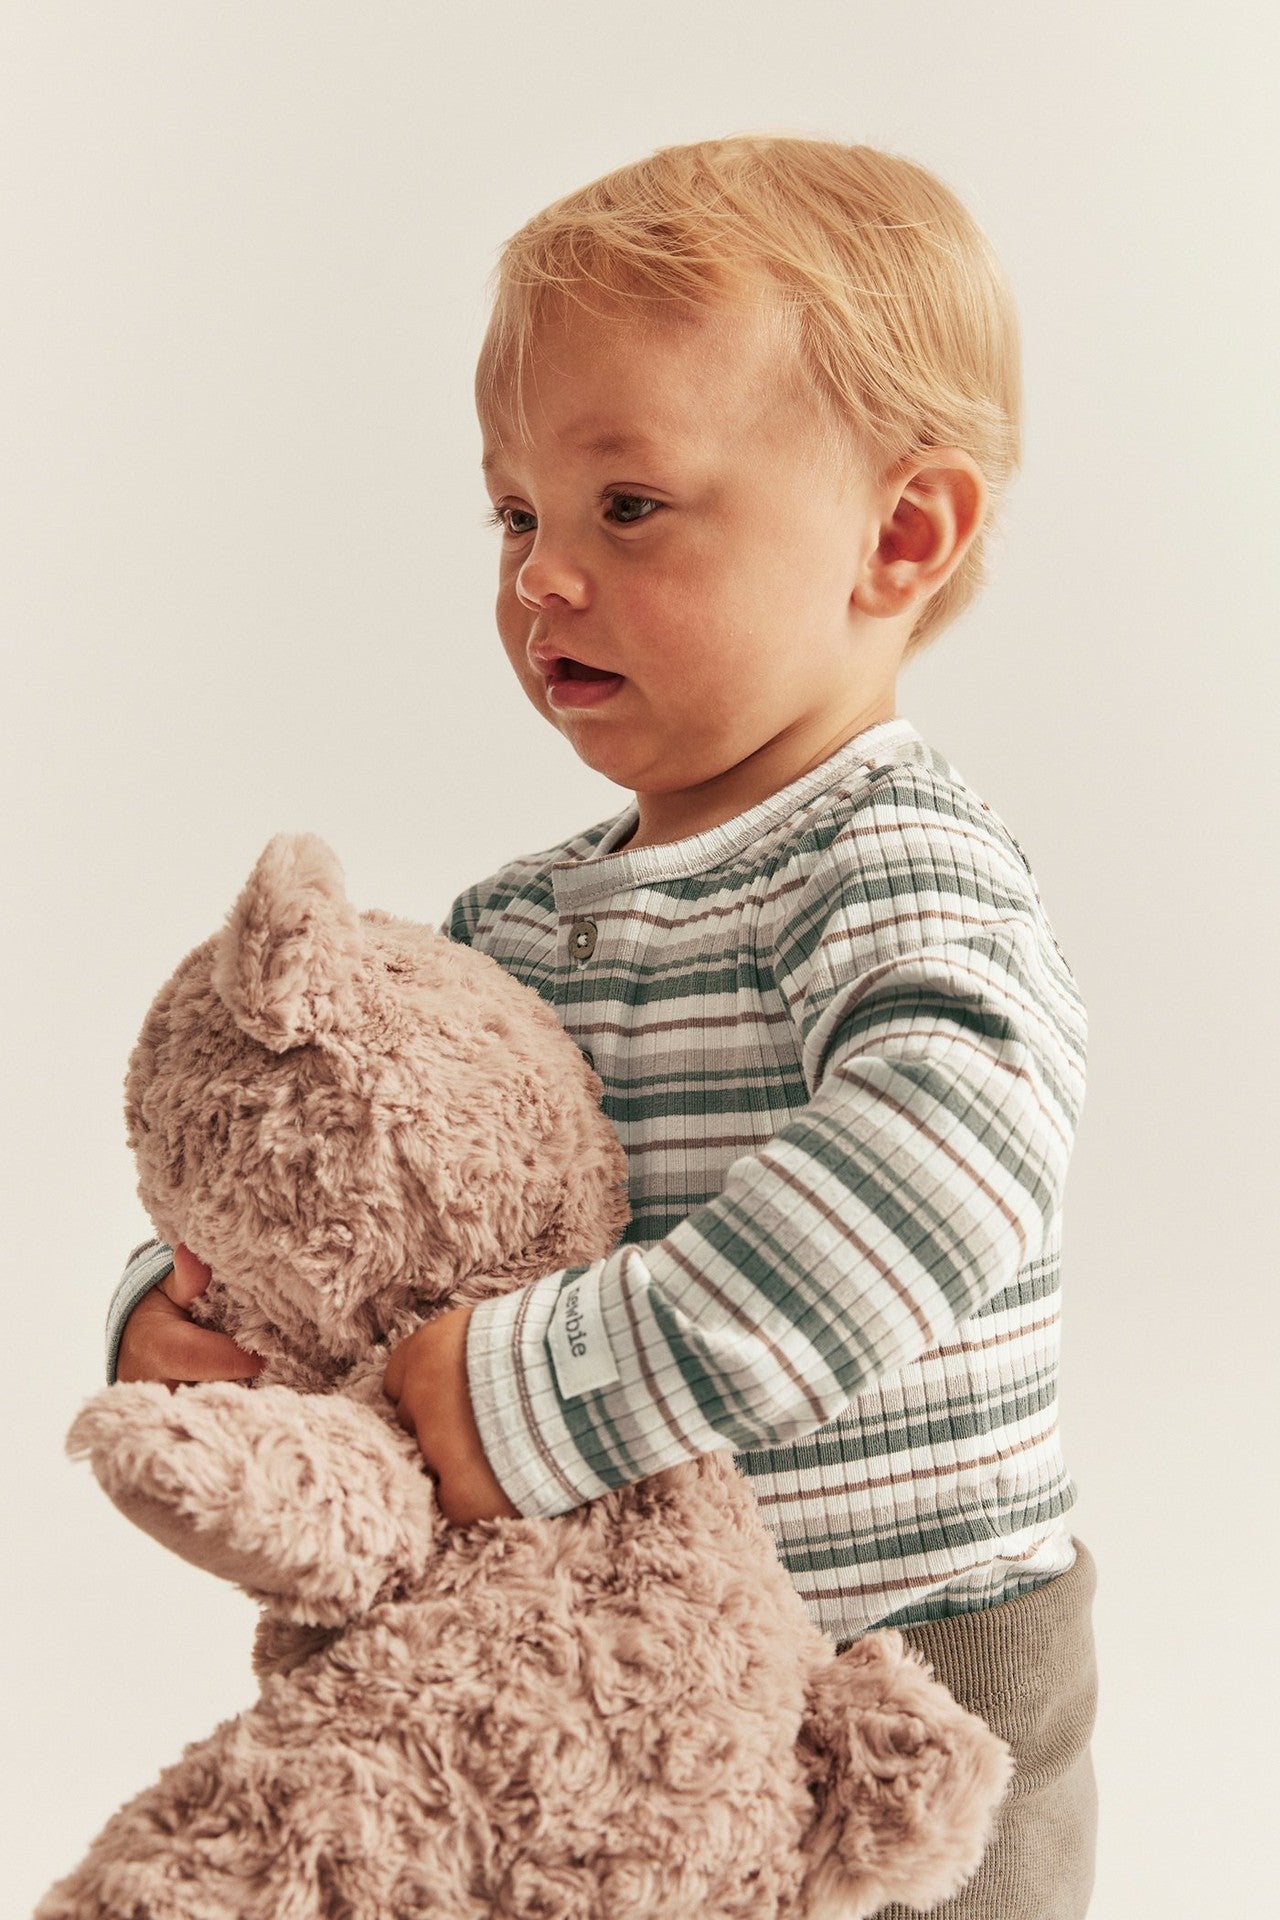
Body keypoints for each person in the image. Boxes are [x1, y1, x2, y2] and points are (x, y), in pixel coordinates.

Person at [105, 136, 1097, 1917]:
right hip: (602, 1688)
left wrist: (550, 1392)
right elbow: (368, 1196)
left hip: (904, 1678)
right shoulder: (517, 926)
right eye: (515, 515)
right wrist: (189, 1321)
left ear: (899, 535)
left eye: (624, 508)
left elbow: (945, 1174)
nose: (541, 577)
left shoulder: (898, 869)